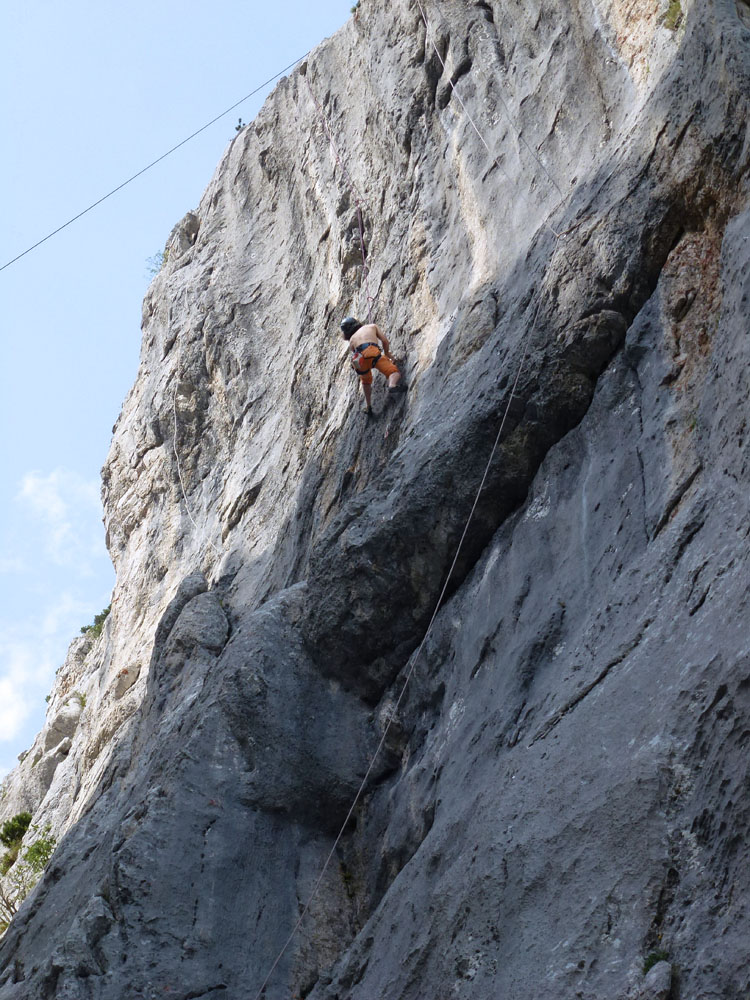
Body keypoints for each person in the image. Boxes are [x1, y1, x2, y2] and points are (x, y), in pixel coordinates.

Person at [340, 317, 406, 414]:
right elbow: (385, 341)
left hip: (360, 359)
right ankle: (392, 385)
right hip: (372, 352)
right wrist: (387, 353)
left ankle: (368, 406)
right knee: (393, 372)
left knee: (366, 382)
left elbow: (355, 352)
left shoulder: (351, 340)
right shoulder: (372, 326)